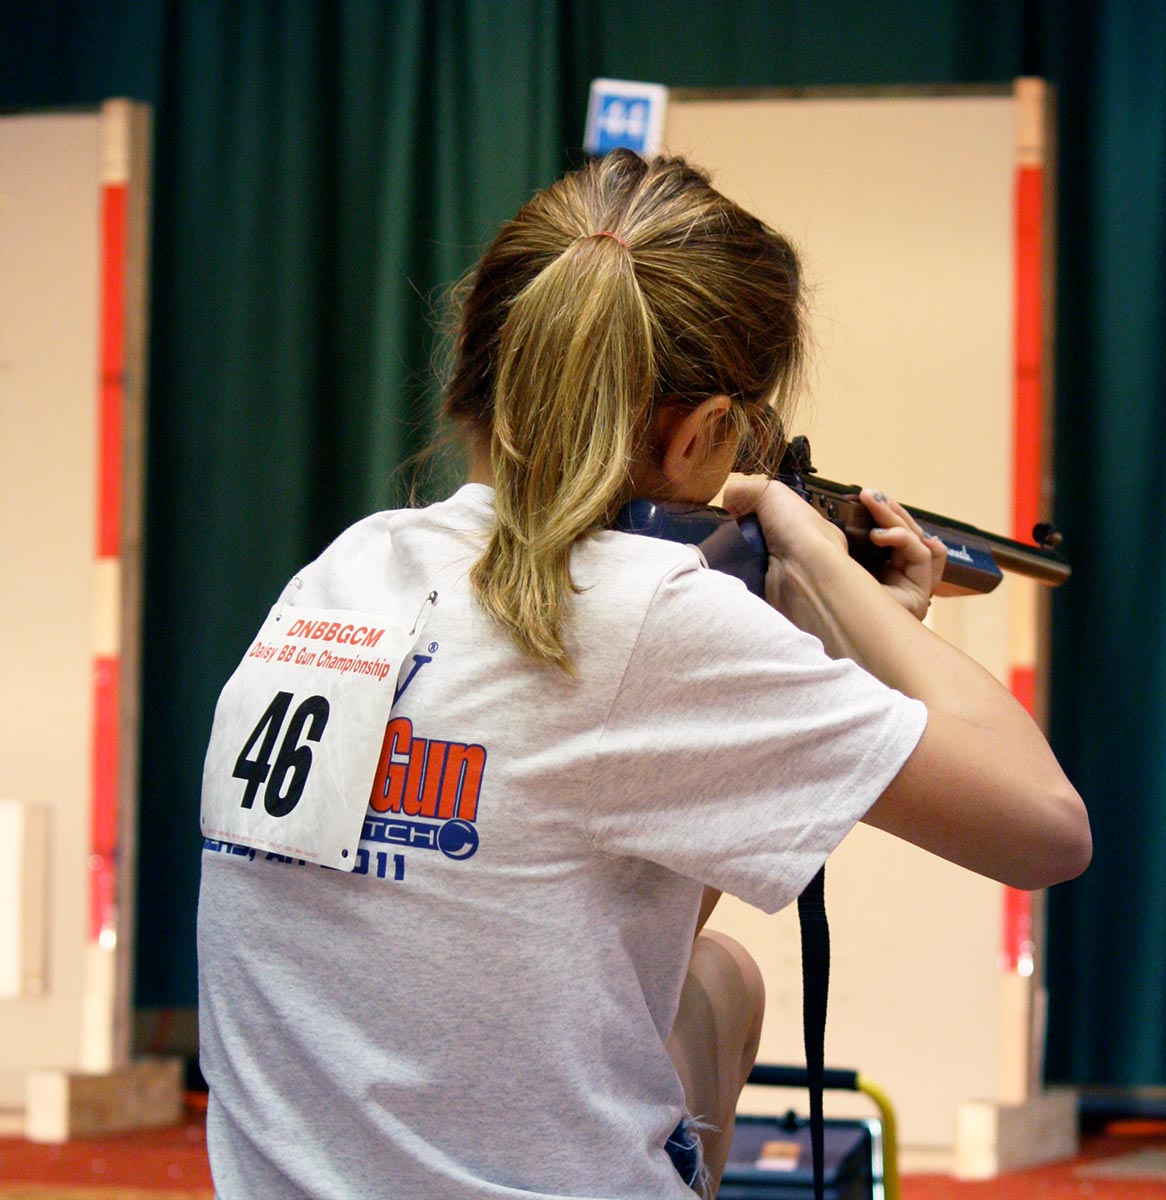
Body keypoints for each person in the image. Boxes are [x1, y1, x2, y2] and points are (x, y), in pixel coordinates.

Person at [197, 149, 1090, 1200]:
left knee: (719, 978)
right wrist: (835, 586)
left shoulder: (343, 571)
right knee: (724, 989)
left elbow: (581, 932)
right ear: (705, 434)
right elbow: (1047, 830)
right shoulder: (644, 609)